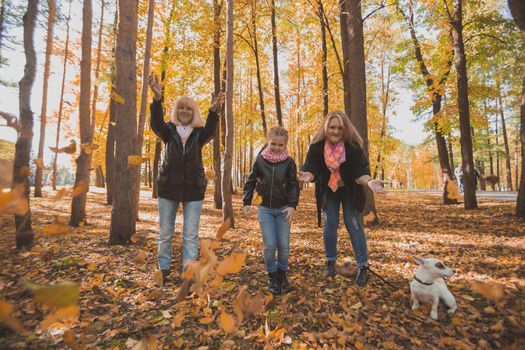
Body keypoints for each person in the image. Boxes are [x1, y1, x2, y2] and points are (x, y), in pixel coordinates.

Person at [297, 111, 387, 287]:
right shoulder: (317, 146)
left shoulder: (352, 147)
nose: (336, 131)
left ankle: (362, 267)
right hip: (328, 189)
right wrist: (308, 175)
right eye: (332, 127)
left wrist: (369, 182)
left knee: (353, 224)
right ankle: (330, 262)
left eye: (339, 127)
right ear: (326, 127)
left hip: (350, 190)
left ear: (345, 129)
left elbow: (359, 172)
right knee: (330, 222)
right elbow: (312, 166)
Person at [148, 73, 222, 284]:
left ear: (194, 112)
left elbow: (210, 131)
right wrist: (157, 99)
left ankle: (187, 274)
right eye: (181, 107)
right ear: (176, 110)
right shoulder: (168, 131)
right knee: (165, 234)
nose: (185, 111)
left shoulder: (199, 134)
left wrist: (214, 112)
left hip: (193, 190)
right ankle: (163, 270)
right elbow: (155, 124)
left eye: (189, 108)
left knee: (190, 235)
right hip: (168, 188)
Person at [243, 126, 299, 295]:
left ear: (285, 145)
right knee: (269, 245)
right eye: (273, 143)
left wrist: (292, 205)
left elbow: (293, 185)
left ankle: (282, 275)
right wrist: (247, 201)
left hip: (283, 209)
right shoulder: (260, 160)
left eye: (280, 145)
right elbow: (251, 180)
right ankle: (272, 276)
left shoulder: (289, 162)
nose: (276, 147)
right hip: (265, 209)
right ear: (268, 142)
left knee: (283, 245)